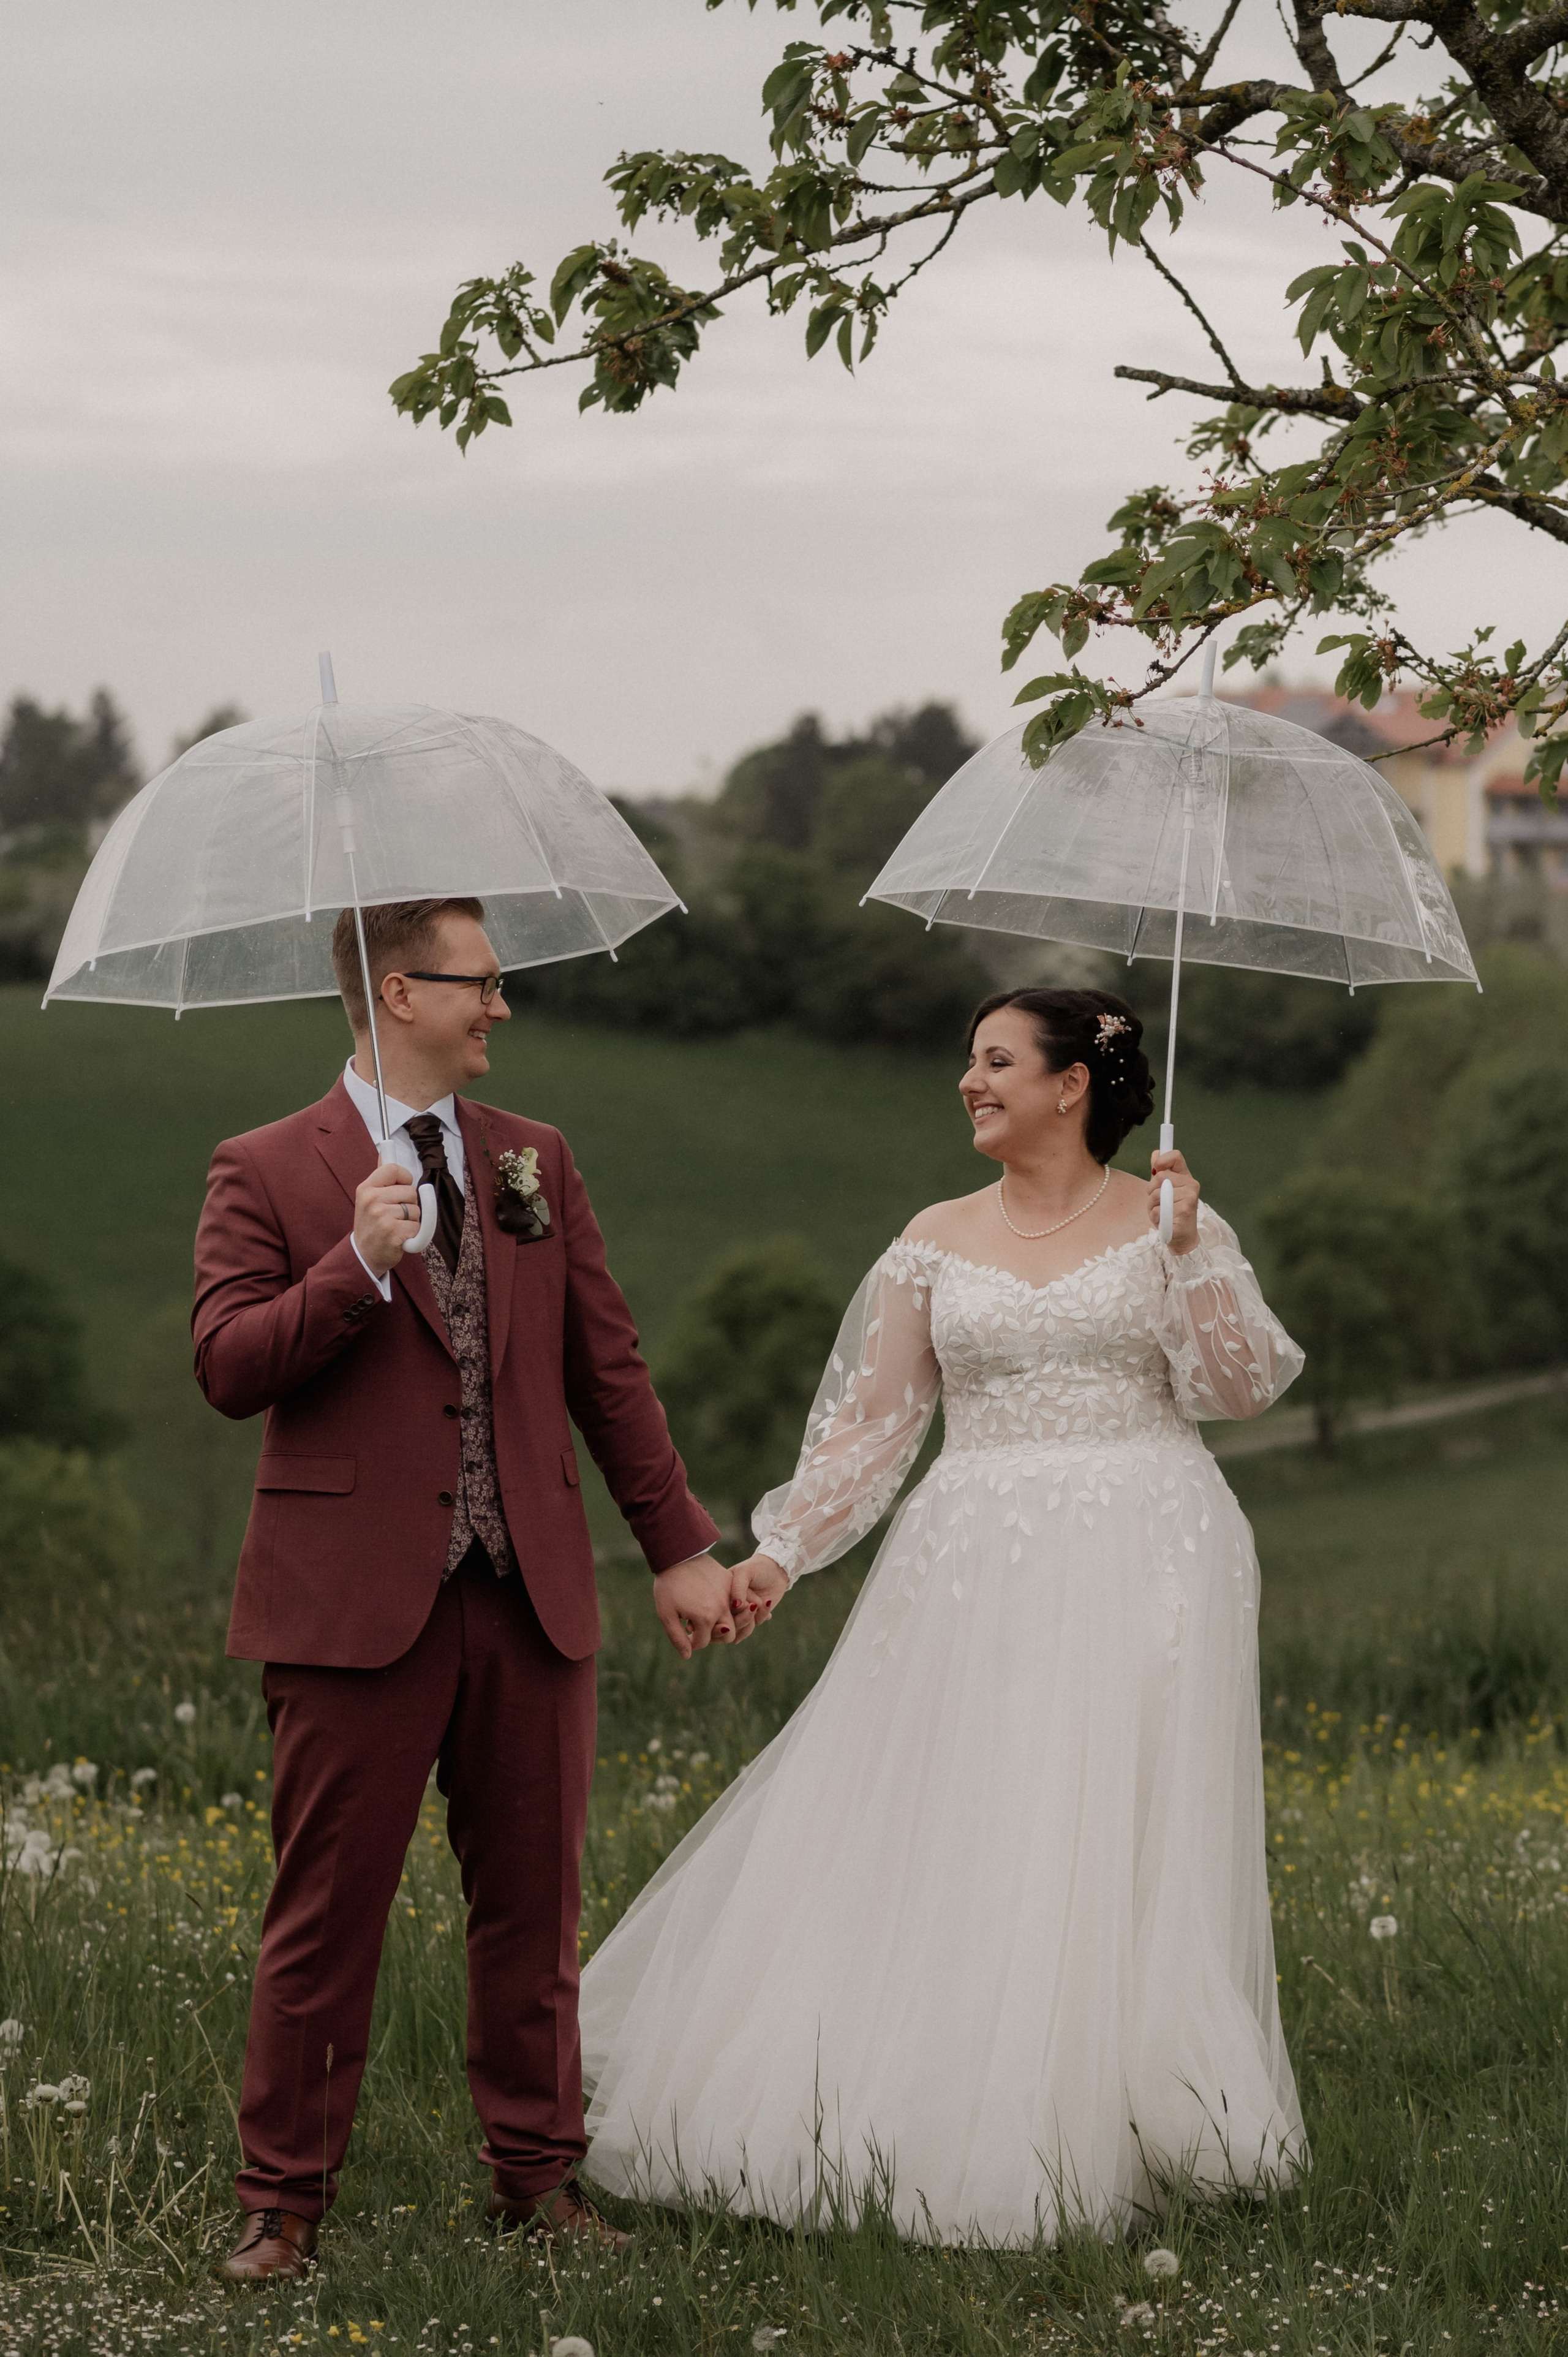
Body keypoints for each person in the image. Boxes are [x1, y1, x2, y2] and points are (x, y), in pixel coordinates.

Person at [577, 986, 1306, 2246]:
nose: (967, 1082)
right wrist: (780, 1554)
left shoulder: (1167, 1218)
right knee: (976, 1807)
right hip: (975, 1554)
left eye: (993, 1061)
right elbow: (872, 1429)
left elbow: (1235, 1388)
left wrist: (1193, 1255)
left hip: (1152, 1544)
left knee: (1123, 1821)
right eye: (967, 1061)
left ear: (1070, 1084)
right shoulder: (933, 1236)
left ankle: (1145, 2104)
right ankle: (945, 2087)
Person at [194, 895, 747, 2283]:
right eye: (480, 982)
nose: (502, 1005)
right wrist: (356, 1264)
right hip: (347, 1606)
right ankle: (282, 2203)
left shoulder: (533, 1160)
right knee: (327, 1907)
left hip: (531, 1594)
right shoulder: (264, 1166)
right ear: (398, 989)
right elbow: (226, 1366)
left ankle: (535, 2176)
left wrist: (675, 1544)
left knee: (534, 1903)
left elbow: (602, 1368)